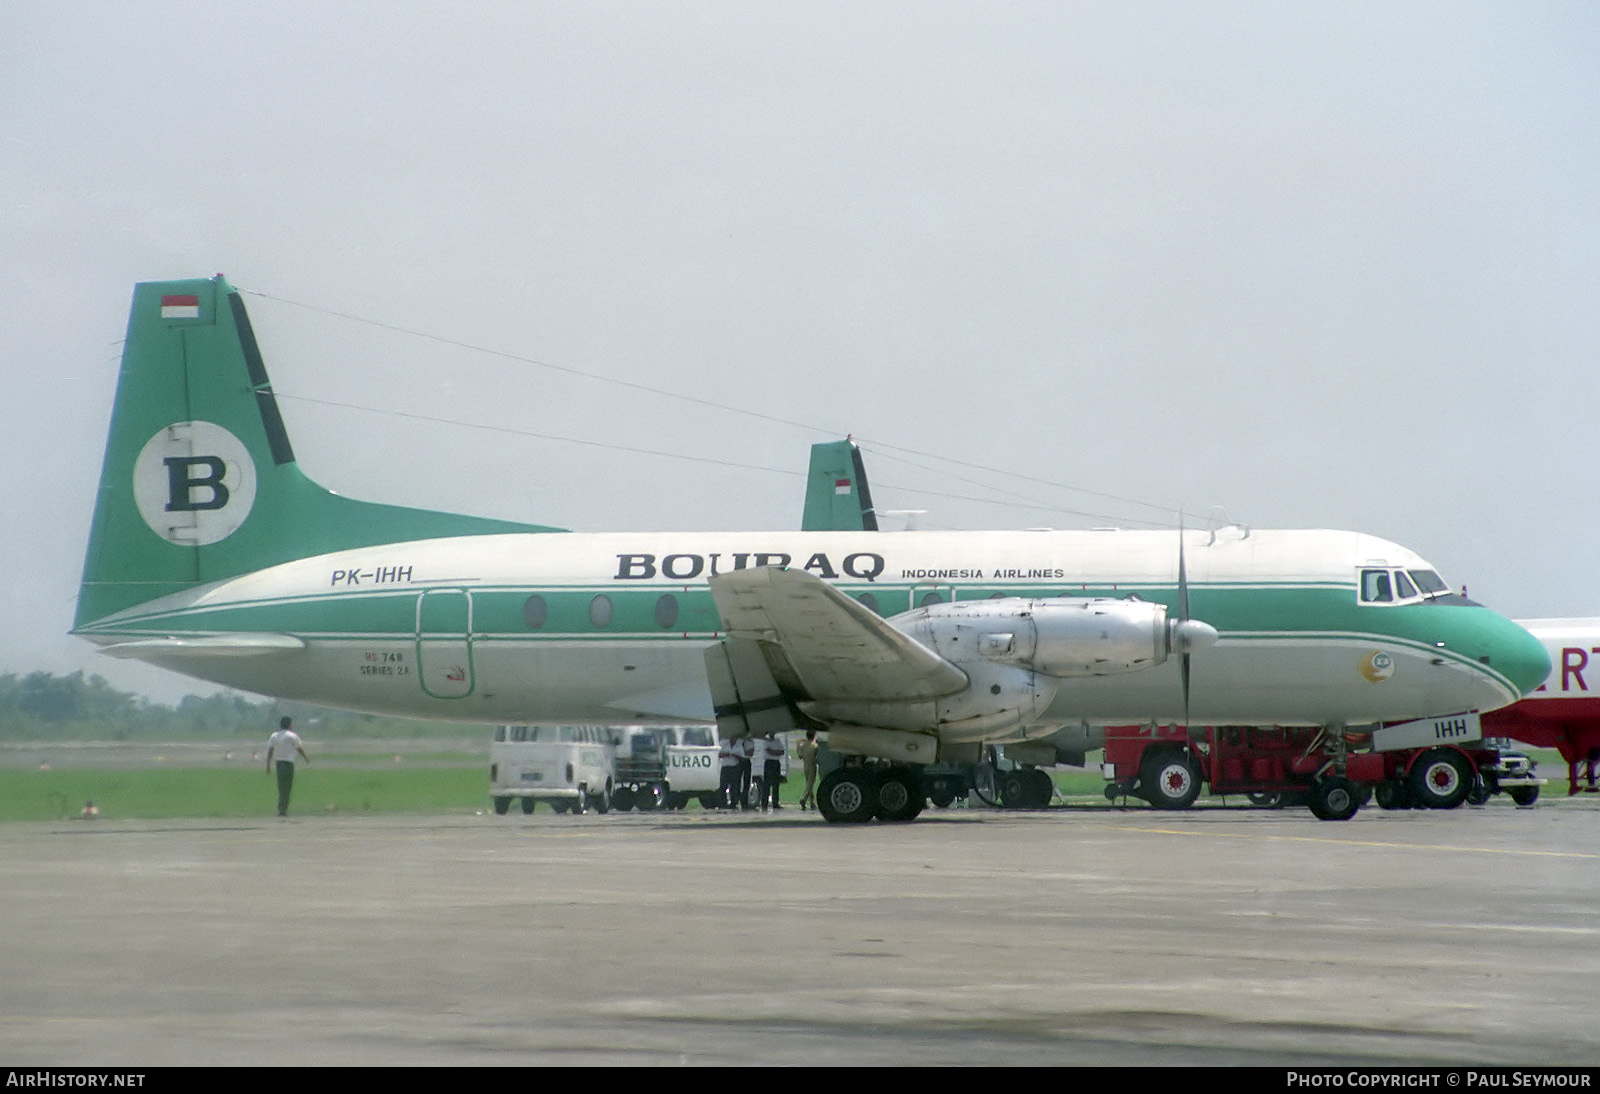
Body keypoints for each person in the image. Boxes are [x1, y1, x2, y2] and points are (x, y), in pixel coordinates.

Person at [265, 716, 311, 816]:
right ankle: (283, 810)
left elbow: (270, 751)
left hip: (279, 764)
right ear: (289, 725)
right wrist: (305, 758)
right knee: (287, 787)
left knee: (281, 787)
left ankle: (281, 808)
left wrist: (268, 765)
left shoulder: (274, 736)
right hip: (288, 764)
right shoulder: (292, 736)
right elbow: (299, 748)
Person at [796, 730, 819, 810]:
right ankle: (803, 799)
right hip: (812, 765)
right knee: (810, 784)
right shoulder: (815, 746)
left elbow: (800, 756)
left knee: (809, 784)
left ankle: (812, 802)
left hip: (805, 765)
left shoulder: (803, 745)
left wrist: (798, 746)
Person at [763, 735, 785, 809]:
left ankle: (775, 803)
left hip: (776, 763)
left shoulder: (777, 740)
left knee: (776, 784)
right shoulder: (766, 741)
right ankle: (764, 803)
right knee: (767, 784)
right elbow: (768, 751)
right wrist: (776, 752)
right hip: (769, 763)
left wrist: (774, 752)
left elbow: (782, 751)